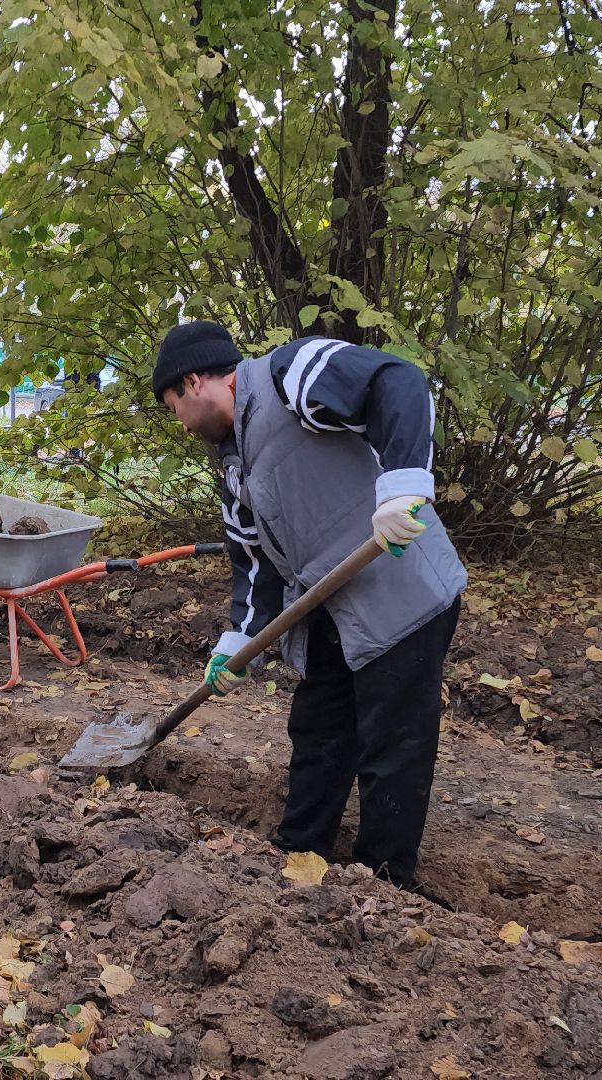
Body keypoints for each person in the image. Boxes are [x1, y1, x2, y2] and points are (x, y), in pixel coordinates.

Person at [152, 321, 466, 889]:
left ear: (193, 381)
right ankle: (297, 857)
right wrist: (238, 643)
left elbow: (396, 381)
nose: (182, 423)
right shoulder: (234, 469)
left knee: (393, 747)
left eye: (175, 407)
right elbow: (255, 567)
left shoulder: (289, 376)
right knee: (319, 731)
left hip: (402, 595)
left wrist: (403, 486)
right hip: (332, 611)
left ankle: (384, 888)